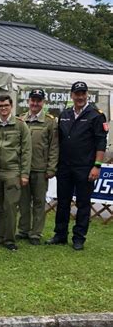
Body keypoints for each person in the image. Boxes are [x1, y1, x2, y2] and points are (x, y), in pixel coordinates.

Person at [47, 81, 108, 250]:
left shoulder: (96, 115)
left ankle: (79, 238)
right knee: (63, 202)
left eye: (83, 93)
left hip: (85, 167)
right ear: (72, 95)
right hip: (65, 166)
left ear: (87, 94)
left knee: (83, 203)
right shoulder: (65, 114)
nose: (80, 97)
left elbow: (101, 142)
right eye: (77, 94)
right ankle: (60, 234)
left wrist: (97, 166)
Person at [0, 95, 32, 251]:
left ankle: (9, 239)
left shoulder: (20, 125)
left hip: (12, 171)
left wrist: (24, 174)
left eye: (6, 105)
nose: (3, 108)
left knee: (11, 206)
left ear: (11, 106)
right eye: (0, 106)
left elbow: (26, 151)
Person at [17, 89, 58, 245]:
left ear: (43, 102)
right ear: (28, 101)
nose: (35, 103)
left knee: (39, 202)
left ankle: (36, 233)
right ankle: (23, 230)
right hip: (24, 169)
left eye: (38, 100)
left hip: (41, 169)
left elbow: (54, 147)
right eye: (33, 100)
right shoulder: (21, 120)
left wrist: (51, 168)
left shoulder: (49, 122)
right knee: (23, 201)